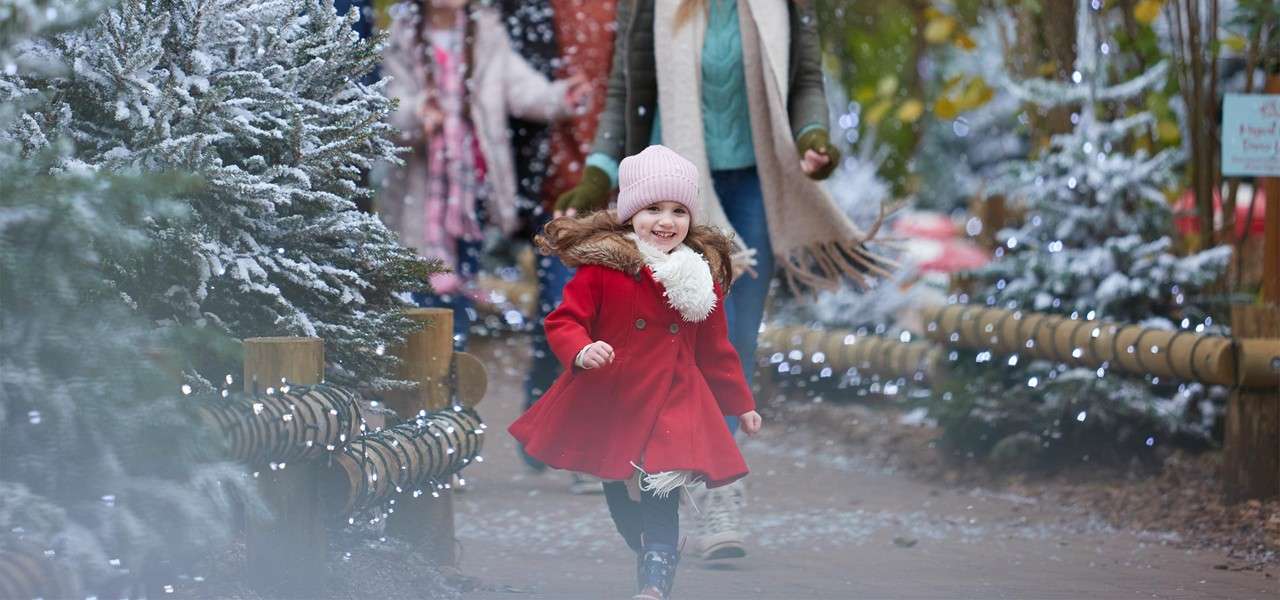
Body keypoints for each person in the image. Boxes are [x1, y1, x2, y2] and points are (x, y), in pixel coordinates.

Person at [552, 0, 881, 560]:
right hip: (672, 191)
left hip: (755, 181)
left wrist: (812, 136)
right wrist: (597, 177)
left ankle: (719, 493)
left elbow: (804, 79)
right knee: (659, 337)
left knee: (730, 337)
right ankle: (656, 466)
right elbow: (625, 96)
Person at [509, 145, 764, 600]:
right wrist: (582, 350)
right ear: (630, 215)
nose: (666, 221)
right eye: (653, 209)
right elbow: (564, 320)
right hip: (615, 394)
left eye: (678, 211)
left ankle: (654, 580)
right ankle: (645, 547)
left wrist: (740, 404)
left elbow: (716, 349)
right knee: (618, 486)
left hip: (673, 395)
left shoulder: (698, 277)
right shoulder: (604, 269)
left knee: (661, 483)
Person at [378, 0, 590, 349]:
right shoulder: (401, 36)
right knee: (419, 285)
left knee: (460, 284)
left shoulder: (487, 32)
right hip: (418, 193)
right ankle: (419, 373)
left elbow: (521, 89)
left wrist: (560, 97)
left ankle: (450, 370)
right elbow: (388, 104)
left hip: (468, 194)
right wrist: (417, 112)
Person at [515, 0, 621, 496]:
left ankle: (584, 434)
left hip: (620, 180)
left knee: (603, 311)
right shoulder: (533, 10)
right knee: (564, 306)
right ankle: (547, 405)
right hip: (555, 185)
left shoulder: (630, 12)